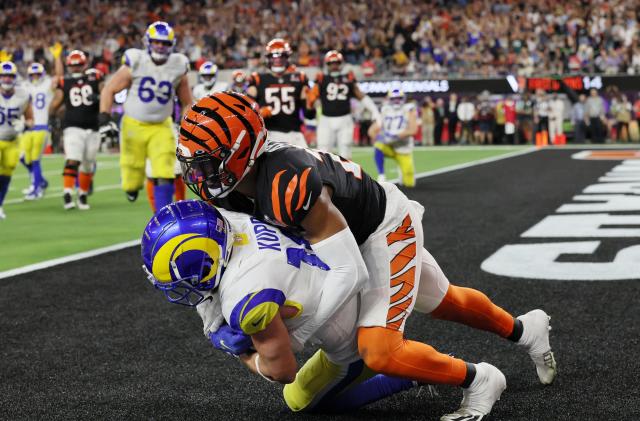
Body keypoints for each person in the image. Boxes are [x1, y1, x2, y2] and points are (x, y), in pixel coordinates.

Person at [176, 92, 557, 420]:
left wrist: (298, 336)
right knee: (441, 300)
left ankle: (480, 380)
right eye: (192, 162)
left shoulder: (286, 183)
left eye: (206, 162)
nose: (196, 174)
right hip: (345, 235)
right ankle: (526, 331)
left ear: (241, 151)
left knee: (378, 350)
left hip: (381, 228)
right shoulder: (229, 188)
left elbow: (349, 271)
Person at [141, 199, 424, 413]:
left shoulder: (246, 297)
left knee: (299, 400)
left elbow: (283, 371)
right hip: (360, 273)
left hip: (353, 332)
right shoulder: (229, 216)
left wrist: (242, 354)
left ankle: (410, 374)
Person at [98, 21, 192, 210]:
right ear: (147, 42)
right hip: (134, 124)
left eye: (165, 43)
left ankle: (162, 215)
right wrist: (104, 119)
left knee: (164, 169)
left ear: (171, 46)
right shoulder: (136, 60)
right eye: (156, 42)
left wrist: (186, 123)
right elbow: (109, 89)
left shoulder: (178, 65)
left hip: (161, 125)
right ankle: (132, 188)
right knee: (132, 174)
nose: (160, 46)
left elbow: (186, 101)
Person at [49, 50, 103, 210]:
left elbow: (108, 94)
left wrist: (99, 98)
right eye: (73, 66)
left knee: (88, 164)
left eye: (78, 65)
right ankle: (67, 193)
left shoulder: (95, 77)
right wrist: (51, 117)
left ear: (84, 64)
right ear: (68, 66)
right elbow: (56, 101)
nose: (76, 68)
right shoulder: (64, 81)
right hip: (72, 126)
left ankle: (83, 195)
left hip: (93, 127)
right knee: (73, 159)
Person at [309, 50, 379, 159]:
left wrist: (373, 109)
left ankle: (345, 176)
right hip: (326, 119)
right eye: (332, 63)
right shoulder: (321, 78)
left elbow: (359, 94)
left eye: (336, 63)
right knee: (322, 153)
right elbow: (311, 99)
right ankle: (324, 176)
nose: (334, 66)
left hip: (345, 119)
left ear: (340, 63)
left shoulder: (347, 77)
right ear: (327, 64)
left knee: (345, 153)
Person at [246, 38, 315, 148]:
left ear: (287, 57)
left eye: (281, 57)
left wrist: (310, 105)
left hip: (295, 134)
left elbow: (310, 115)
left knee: (308, 164)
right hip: (269, 134)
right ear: (268, 58)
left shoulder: (299, 78)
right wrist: (258, 113)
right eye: (274, 57)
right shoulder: (257, 79)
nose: (277, 61)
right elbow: (246, 113)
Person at [19, 56, 59, 200]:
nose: (35, 77)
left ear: (42, 74)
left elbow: (58, 78)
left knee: (35, 159)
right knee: (23, 157)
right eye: (33, 75)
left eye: (37, 74)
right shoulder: (25, 85)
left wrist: (57, 58)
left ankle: (37, 188)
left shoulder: (47, 84)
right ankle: (40, 181)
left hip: (41, 125)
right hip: (28, 127)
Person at [0, 61, 33, 219]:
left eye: (10, 76)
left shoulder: (23, 95)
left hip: (12, 140)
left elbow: (30, 119)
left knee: (6, 174)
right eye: (4, 76)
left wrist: (24, 125)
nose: (7, 79)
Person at [368, 89, 417, 187]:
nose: (396, 101)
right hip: (389, 147)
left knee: (409, 184)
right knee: (378, 145)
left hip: (403, 149)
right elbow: (371, 131)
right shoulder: (385, 110)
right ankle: (381, 175)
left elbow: (413, 130)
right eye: (394, 99)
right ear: (389, 99)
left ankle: (401, 168)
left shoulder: (409, 109)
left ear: (404, 99)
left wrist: (394, 136)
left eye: (399, 98)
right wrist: (379, 137)